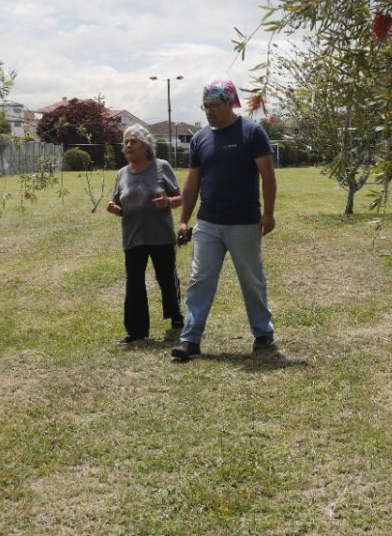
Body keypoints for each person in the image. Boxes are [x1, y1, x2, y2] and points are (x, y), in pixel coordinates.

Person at [171, 79, 277, 361]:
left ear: (230, 103)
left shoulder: (251, 133)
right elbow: (192, 183)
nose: (209, 111)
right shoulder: (199, 139)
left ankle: (263, 333)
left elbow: (268, 176)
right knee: (200, 279)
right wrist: (184, 220)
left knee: (251, 279)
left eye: (214, 105)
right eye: (205, 106)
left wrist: (268, 213)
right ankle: (190, 340)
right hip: (208, 222)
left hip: (244, 222)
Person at [107, 124, 184, 346]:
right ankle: (137, 331)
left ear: (146, 146)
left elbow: (180, 198)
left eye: (134, 141)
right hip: (133, 237)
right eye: (126, 142)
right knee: (134, 283)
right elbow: (120, 204)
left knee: (166, 279)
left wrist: (167, 202)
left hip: (160, 236)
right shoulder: (122, 174)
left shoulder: (161, 167)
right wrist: (115, 209)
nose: (128, 145)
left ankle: (176, 316)